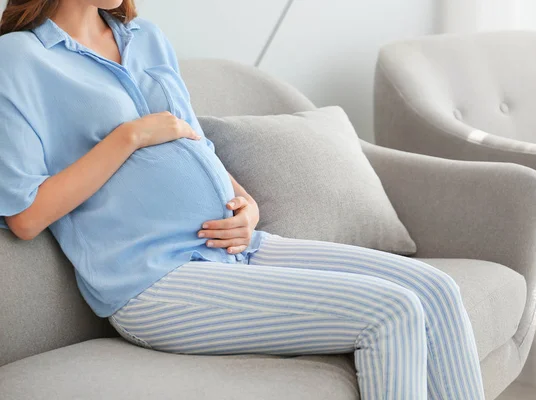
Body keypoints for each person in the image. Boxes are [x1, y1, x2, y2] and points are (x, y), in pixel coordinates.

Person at [0, 1, 485, 398]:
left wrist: (246, 204)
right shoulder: (18, 59)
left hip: (240, 247)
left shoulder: (144, 36)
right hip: (154, 282)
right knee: (392, 312)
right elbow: (24, 216)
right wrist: (127, 137)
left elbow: (194, 144)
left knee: (438, 291)